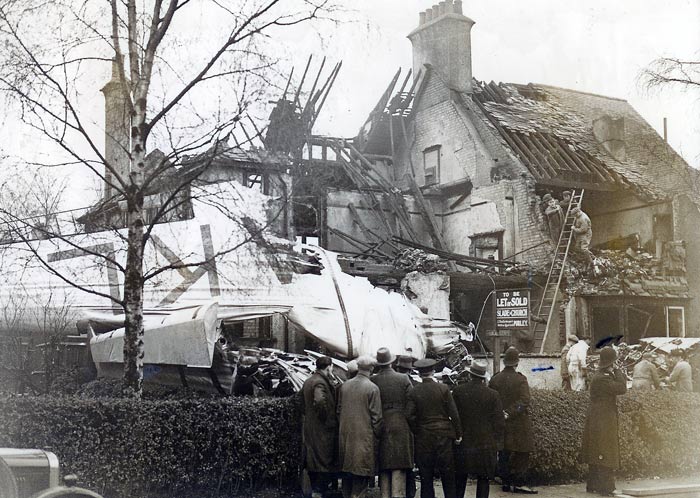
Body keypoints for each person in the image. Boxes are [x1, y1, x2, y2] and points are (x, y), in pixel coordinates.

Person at [406, 358, 462, 498]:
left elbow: (409, 415)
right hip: (444, 436)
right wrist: (458, 433)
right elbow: (453, 413)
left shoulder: (414, 391)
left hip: (424, 437)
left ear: (419, 374)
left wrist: (417, 430)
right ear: (433, 371)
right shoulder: (443, 389)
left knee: (426, 476)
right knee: (448, 475)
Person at [453, 361, 505, 498]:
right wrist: (497, 443)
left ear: (470, 375)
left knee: (460, 478)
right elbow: (499, 422)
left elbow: (454, 417)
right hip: (485, 443)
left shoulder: (458, 391)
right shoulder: (493, 395)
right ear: (483, 377)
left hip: (464, 443)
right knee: (483, 479)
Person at [489, 347, 537, 494]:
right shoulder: (521, 379)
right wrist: (509, 413)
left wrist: (500, 414)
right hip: (518, 421)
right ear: (517, 362)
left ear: (505, 361)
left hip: (501, 422)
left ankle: (505, 481)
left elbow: (491, 400)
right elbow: (525, 400)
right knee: (523, 451)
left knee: (504, 451)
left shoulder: (495, 378)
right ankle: (519, 483)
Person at [581, 347, 627, 496]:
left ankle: (593, 484)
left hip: (596, 417)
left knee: (596, 450)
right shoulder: (604, 377)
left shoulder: (599, 375)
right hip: (604, 418)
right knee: (606, 450)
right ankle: (607, 487)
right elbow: (621, 388)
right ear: (611, 362)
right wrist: (619, 371)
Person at [338, 355, 384, 498]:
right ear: (371, 368)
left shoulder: (344, 386)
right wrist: (377, 435)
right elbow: (377, 417)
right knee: (360, 479)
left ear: (358, 367)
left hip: (345, 437)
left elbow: (338, 411)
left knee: (347, 477)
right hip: (364, 439)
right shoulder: (372, 388)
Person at [372, 347, 414, 498]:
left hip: (381, 424)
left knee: (384, 465)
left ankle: (385, 495)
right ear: (392, 362)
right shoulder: (403, 379)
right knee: (399, 465)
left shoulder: (373, 380)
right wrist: (407, 420)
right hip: (400, 424)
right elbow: (411, 402)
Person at [301, 356, 339, 498]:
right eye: (332, 367)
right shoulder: (319, 382)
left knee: (314, 460)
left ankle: (317, 492)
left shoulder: (309, 380)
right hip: (322, 429)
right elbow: (319, 401)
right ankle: (318, 493)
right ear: (328, 367)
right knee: (323, 461)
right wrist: (326, 419)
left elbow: (300, 401)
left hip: (311, 428)